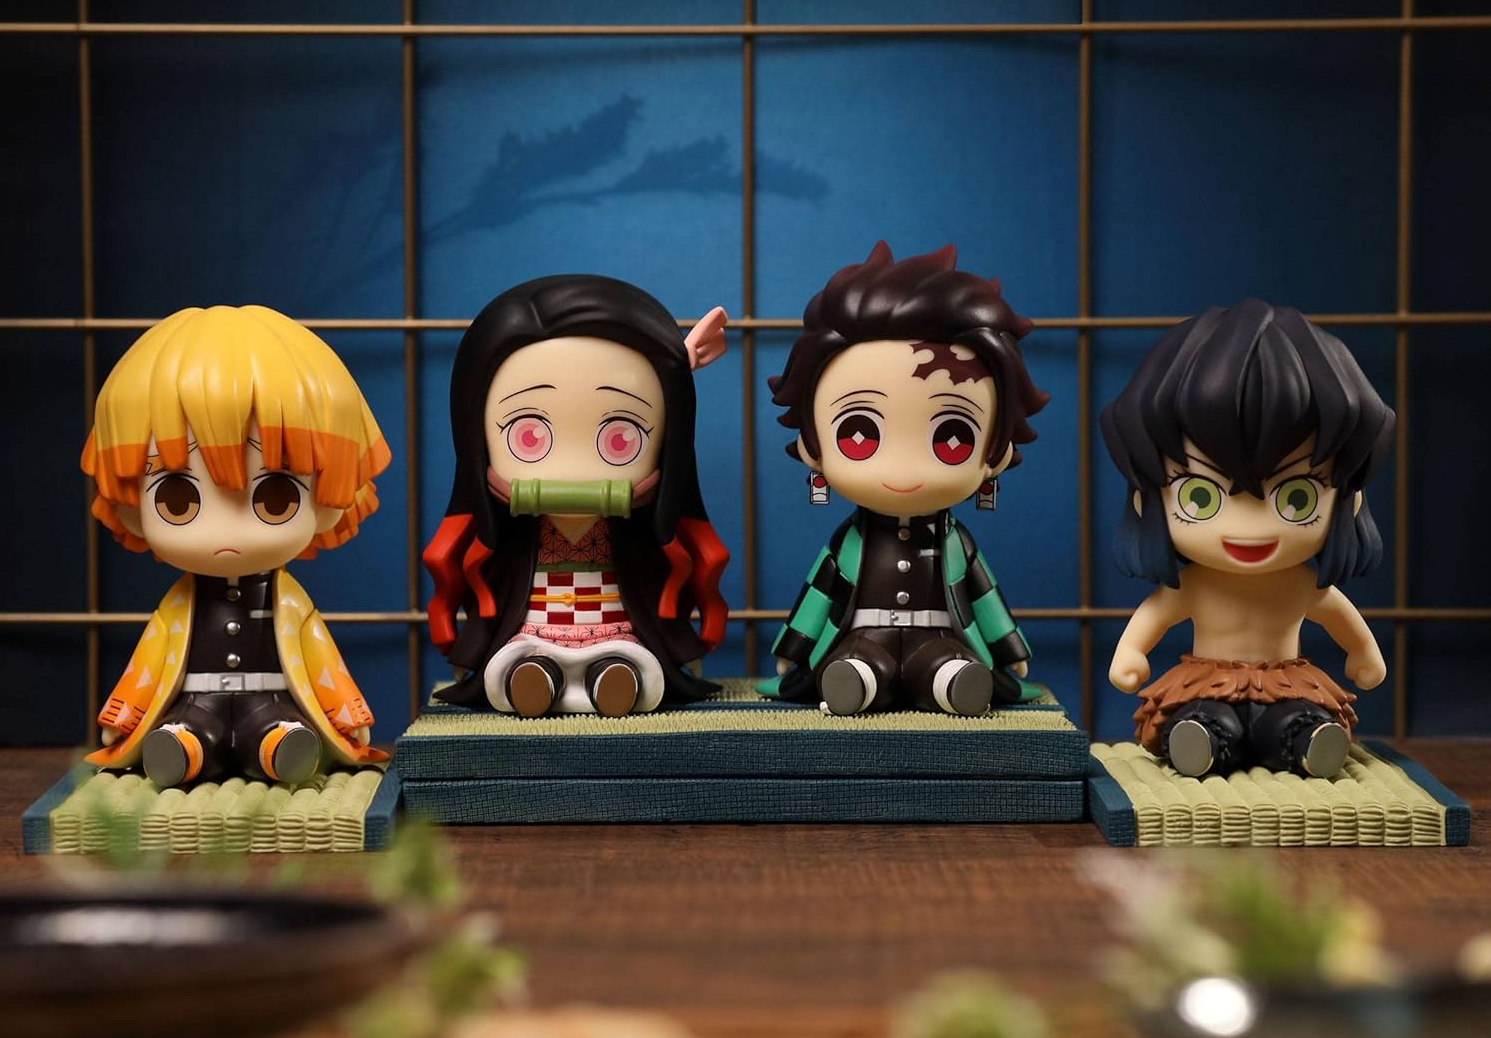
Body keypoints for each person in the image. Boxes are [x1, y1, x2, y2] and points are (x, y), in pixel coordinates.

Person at [84, 306, 391, 788]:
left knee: (279, 732)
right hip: (195, 702)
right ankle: (180, 751)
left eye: (275, 496)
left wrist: (345, 712)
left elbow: (321, 660)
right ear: (130, 507)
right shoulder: (177, 611)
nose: (226, 531)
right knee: (184, 733)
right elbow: (147, 664)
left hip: (270, 702)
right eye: (178, 498)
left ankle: (281, 750)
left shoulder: (290, 607)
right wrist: (125, 715)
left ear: (329, 500)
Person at [1100, 298, 1394, 779]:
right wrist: (1131, 654)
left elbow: (1340, 617)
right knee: (1206, 717)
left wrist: (1363, 653)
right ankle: (1202, 739)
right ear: (1145, 500)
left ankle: (1306, 740)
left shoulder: (1303, 584)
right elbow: (1154, 616)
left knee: (1297, 716)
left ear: (1350, 501)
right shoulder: (1195, 585)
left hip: (1286, 680)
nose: (1250, 526)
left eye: (1296, 498)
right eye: (1200, 497)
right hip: (1208, 679)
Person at [423, 274, 729, 717]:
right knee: (520, 662)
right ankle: (534, 679)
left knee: (625, 662)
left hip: (613, 629)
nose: (572, 473)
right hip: (534, 630)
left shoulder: (641, 541)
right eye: (529, 436)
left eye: (620, 438)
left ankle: (614, 678)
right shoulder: (505, 544)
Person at [761, 241, 1046, 715]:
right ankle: (856, 680)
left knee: (946, 664)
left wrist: (1008, 649)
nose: (904, 470)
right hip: (862, 635)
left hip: (939, 636)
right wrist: (795, 647)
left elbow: (984, 595)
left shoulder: (956, 544)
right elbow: (820, 592)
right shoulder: (850, 543)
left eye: (952, 437)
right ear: (814, 445)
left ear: (997, 451)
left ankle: (953, 682)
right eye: (859, 434)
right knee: (857, 663)